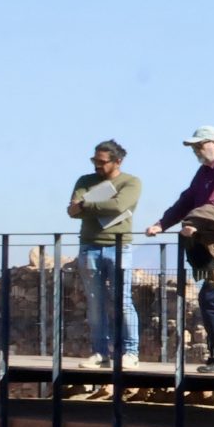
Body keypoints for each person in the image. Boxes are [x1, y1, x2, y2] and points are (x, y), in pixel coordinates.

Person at [145, 125, 214, 374]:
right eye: (194, 146)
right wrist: (162, 223)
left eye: (199, 145)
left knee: (211, 297)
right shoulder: (204, 172)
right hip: (211, 243)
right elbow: (187, 199)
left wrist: (195, 223)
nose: (196, 150)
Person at [67, 141, 142, 364]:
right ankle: (100, 352)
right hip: (90, 246)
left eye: (102, 162)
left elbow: (119, 206)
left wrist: (86, 205)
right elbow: (72, 210)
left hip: (119, 246)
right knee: (95, 303)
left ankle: (130, 353)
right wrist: (88, 206)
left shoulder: (131, 182)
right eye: (94, 160)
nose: (97, 165)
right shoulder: (85, 181)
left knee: (122, 300)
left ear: (118, 161)